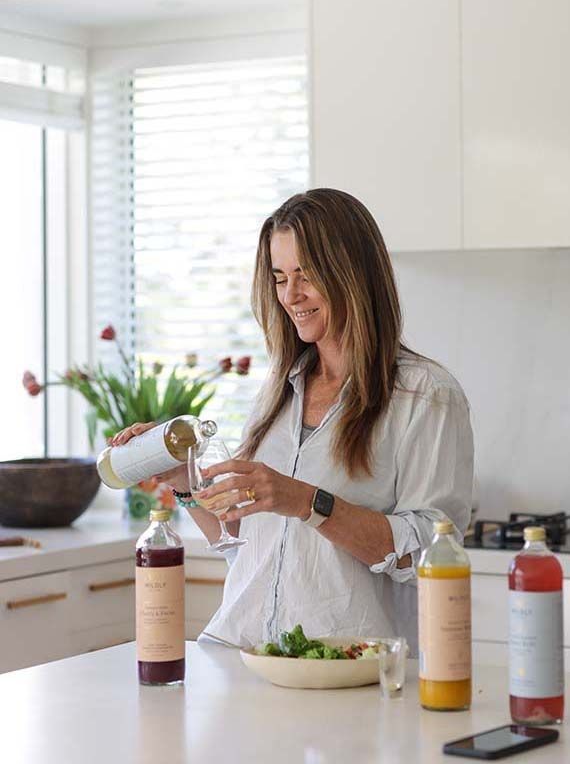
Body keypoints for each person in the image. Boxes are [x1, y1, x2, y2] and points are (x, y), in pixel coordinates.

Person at [111, 188, 473, 654]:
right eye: (280, 278)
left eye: (306, 275)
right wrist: (184, 478)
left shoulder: (426, 395)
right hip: (242, 654)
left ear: (354, 275)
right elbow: (240, 535)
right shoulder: (280, 388)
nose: (290, 295)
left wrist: (306, 501)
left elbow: (428, 553)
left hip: (348, 670)